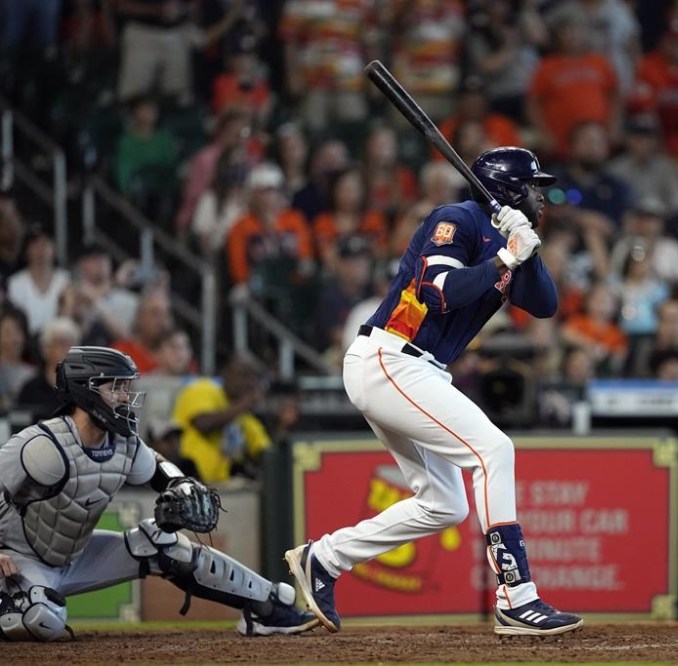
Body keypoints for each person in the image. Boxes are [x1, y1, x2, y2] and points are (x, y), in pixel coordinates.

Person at [284, 147, 583, 637]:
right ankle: (517, 597)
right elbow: (438, 292)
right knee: (493, 450)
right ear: (508, 190)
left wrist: (527, 248)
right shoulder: (456, 218)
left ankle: (325, 558)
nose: (541, 196)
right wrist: (508, 254)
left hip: (419, 371)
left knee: (445, 504)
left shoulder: (510, 233)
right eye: (533, 187)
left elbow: (545, 305)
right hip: (391, 356)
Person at [0, 346, 316, 641]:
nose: (125, 397)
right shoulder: (43, 446)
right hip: (19, 561)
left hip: (75, 555)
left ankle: (270, 604)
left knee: (161, 544)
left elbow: (159, 470)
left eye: (126, 387)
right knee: (40, 618)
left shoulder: (123, 442)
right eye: (116, 388)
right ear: (85, 390)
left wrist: (182, 485)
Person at [172, 354, 270, 484]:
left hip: (223, 485)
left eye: (252, 377)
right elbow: (203, 423)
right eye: (243, 375)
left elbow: (265, 454)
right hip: (188, 480)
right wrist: (244, 404)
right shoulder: (202, 389)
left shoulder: (244, 416)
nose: (247, 382)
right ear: (225, 374)